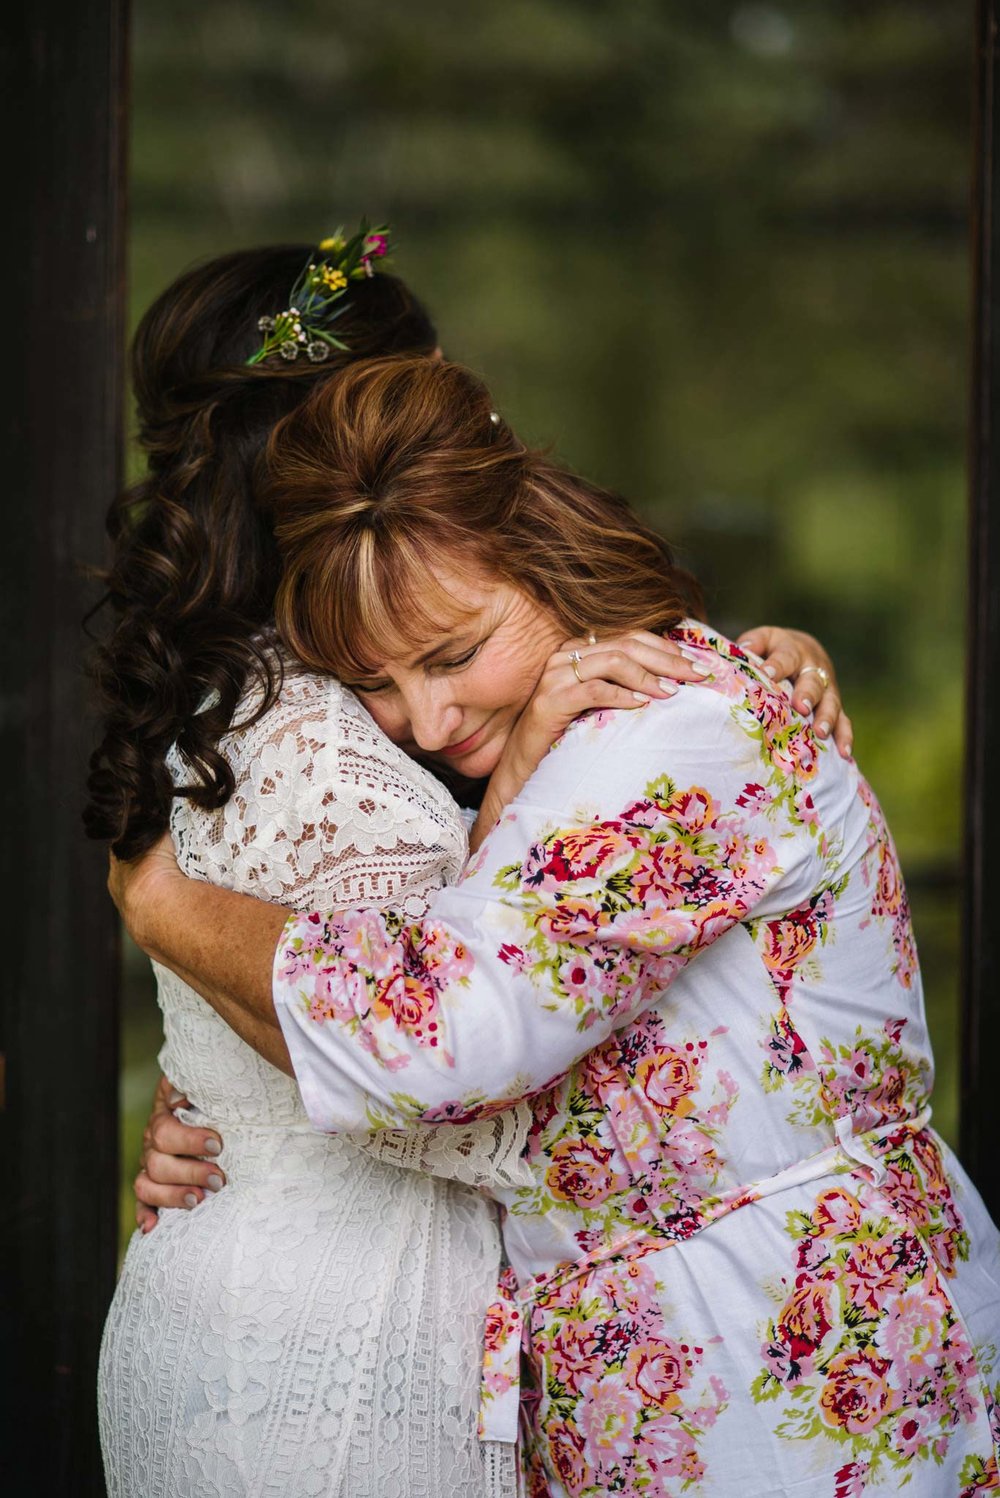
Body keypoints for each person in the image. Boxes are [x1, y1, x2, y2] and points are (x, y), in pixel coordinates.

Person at [112, 355, 1000, 1498]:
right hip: (660, 1380)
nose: (427, 715)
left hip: (792, 1356)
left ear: (543, 553)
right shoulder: (543, 754)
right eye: (376, 683)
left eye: (454, 653)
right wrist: (222, 1102)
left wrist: (165, 902)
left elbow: (435, 1036)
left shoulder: (669, 731)